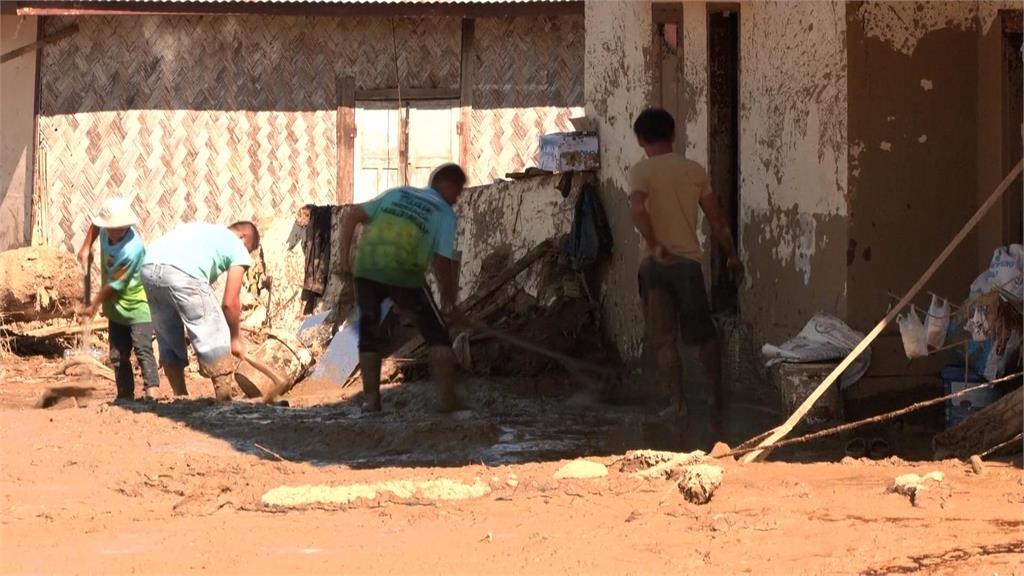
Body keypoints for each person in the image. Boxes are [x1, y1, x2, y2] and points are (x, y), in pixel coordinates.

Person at [628, 107, 742, 441]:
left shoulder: (641, 171)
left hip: (654, 266)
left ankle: (677, 405)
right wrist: (732, 256)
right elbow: (717, 220)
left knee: (664, 340)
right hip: (688, 265)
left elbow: (637, 210)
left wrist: (654, 245)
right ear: (673, 135)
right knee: (704, 336)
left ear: (640, 139)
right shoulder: (693, 170)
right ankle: (715, 397)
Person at [339, 163, 466, 413]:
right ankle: (448, 402)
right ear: (447, 185)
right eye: (458, 191)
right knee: (437, 334)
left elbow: (352, 215)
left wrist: (345, 260)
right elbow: (442, 262)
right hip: (404, 271)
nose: (457, 198)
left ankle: (371, 402)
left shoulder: (398, 193)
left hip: (367, 267)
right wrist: (449, 302)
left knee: (370, 331)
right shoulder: (444, 212)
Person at [140, 221, 260, 401]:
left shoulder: (200, 228)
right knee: (213, 330)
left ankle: (180, 398)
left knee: (168, 336)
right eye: (248, 249)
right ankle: (224, 399)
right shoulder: (237, 245)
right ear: (243, 237)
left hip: (148, 268)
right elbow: (230, 302)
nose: (246, 253)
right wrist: (235, 337)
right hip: (183, 274)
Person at [77, 197, 160, 401]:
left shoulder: (132, 249)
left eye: (119, 228)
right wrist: (86, 246)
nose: (113, 231)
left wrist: (93, 305)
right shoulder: (106, 229)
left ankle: (152, 394)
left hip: (137, 306)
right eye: (111, 227)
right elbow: (96, 226)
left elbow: (112, 286)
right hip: (115, 308)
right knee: (117, 354)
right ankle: (124, 396)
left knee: (142, 349)